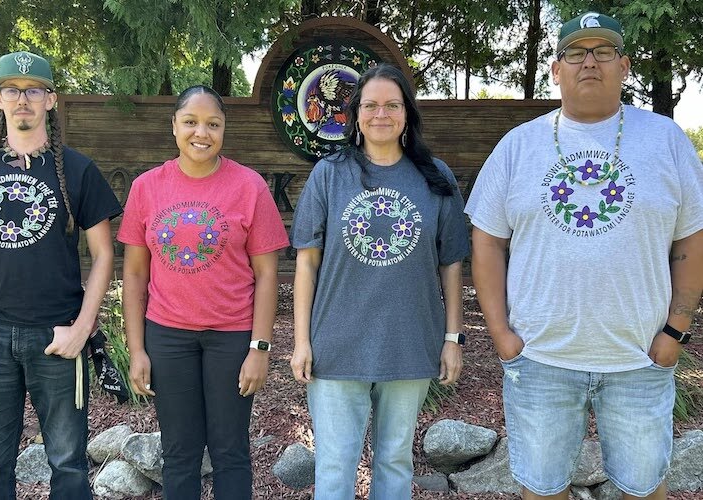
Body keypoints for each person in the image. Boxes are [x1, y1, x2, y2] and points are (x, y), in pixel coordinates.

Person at [465, 12, 703, 500]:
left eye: (603, 52)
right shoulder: (518, 145)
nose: (588, 62)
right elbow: (486, 238)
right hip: (541, 359)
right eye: (576, 52)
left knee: (644, 489)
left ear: (625, 66)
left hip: (639, 358)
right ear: (556, 69)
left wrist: (676, 329)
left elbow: (691, 240)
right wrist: (501, 334)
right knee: (542, 488)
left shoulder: (665, 140)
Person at [290, 63, 470, 499]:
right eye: (370, 105)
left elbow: (451, 265)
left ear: (407, 113)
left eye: (392, 104)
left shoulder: (436, 177)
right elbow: (306, 263)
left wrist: (453, 338)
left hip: (409, 342)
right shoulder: (330, 174)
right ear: (355, 115)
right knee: (335, 464)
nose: (380, 114)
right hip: (336, 344)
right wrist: (301, 341)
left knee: (395, 460)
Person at [0, 51, 121, 499]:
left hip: (57, 334)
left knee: (68, 464)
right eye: (12, 90)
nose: (22, 99)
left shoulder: (78, 169)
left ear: (50, 100)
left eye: (33, 91)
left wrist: (82, 330)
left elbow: (104, 255)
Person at [118, 84, 289, 499]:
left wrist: (259, 348)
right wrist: (137, 349)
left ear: (224, 129)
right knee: (179, 452)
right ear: (174, 126)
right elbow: (135, 274)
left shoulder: (248, 187)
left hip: (232, 337)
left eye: (213, 124)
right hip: (168, 335)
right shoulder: (146, 187)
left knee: (230, 450)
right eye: (191, 122)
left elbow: (268, 273)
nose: (202, 132)